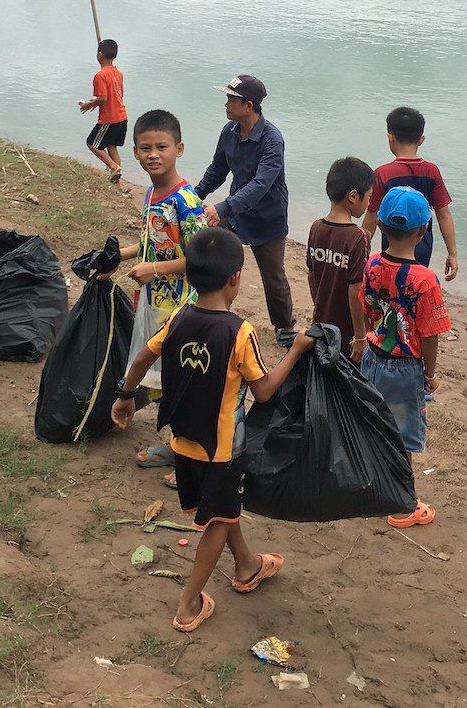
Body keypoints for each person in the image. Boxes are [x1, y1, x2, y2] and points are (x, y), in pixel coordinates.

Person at [111, 227, 313, 633]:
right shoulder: (240, 332)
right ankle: (188, 603)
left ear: (190, 276)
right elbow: (265, 391)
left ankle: (248, 567)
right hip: (221, 452)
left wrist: (125, 395)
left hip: (182, 441)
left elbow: (143, 356)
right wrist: (296, 350)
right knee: (218, 521)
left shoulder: (178, 318)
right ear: (235, 278)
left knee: (224, 509)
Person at [105, 108, 208, 474]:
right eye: (145, 148)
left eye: (161, 147)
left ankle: (182, 450)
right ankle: (176, 441)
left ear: (179, 149)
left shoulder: (186, 201)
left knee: (182, 378)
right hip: (153, 302)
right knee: (163, 373)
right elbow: (154, 243)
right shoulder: (151, 193)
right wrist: (123, 256)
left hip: (182, 305)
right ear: (133, 152)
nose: (153, 154)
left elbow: (201, 261)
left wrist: (155, 270)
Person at [359, 186, 450, 528]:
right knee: (403, 436)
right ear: (424, 231)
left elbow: (367, 306)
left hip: (373, 355)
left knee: (377, 425)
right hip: (405, 367)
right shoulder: (425, 280)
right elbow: (429, 333)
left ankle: (373, 487)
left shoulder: (371, 265)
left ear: (380, 226)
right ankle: (403, 505)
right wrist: (430, 374)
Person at [196, 75, 293, 331]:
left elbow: (262, 184)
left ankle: (284, 329)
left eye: (231, 100)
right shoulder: (229, 131)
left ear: (248, 105)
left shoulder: (272, 139)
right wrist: (194, 196)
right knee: (211, 254)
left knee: (273, 279)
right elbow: (218, 169)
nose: (226, 105)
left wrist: (221, 208)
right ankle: (211, 311)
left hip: (266, 216)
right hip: (236, 212)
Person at [360, 106, 459, 281]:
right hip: (421, 245)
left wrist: (360, 250)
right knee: (416, 284)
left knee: (391, 285)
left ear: (390, 137)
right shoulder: (431, 171)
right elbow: (443, 214)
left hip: (392, 246)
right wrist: (452, 253)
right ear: (421, 140)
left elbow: (371, 215)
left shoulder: (383, 173)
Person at [307, 157, 373, 361]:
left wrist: (320, 306)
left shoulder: (316, 227)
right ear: (353, 196)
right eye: (369, 196)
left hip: (322, 323)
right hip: (347, 330)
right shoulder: (358, 237)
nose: (369, 202)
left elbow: (312, 275)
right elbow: (356, 290)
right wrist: (361, 337)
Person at [78, 38, 127, 184]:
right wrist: (93, 103)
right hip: (122, 117)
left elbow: (103, 98)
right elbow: (117, 95)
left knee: (92, 143)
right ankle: (116, 180)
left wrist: (88, 105)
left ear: (100, 55)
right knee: (112, 147)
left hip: (110, 119)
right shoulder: (118, 73)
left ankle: (114, 167)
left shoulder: (100, 75)